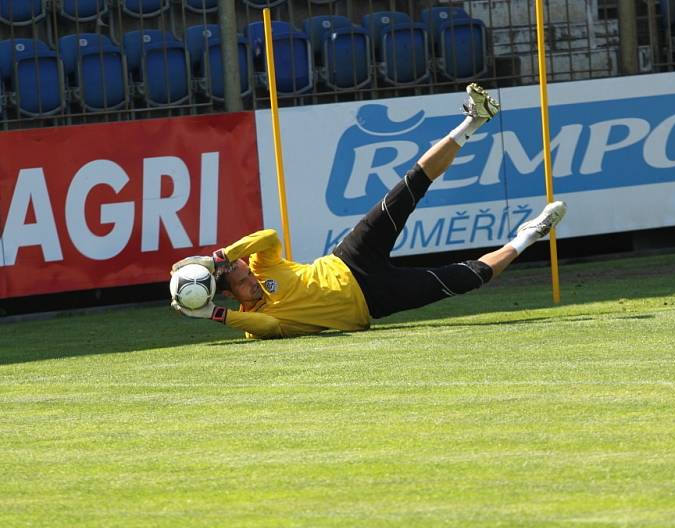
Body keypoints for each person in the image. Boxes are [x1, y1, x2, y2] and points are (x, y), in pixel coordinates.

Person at [170, 83, 566, 339]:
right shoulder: (250, 321)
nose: (247, 272)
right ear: (228, 294)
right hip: (373, 300)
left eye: (240, 266)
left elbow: (269, 237)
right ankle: (529, 234)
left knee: (407, 188)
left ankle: (473, 120)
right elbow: (270, 324)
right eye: (238, 277)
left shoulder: (260, 264)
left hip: (349, 259)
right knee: (468, 278)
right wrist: (212, 316)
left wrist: (223, 255)